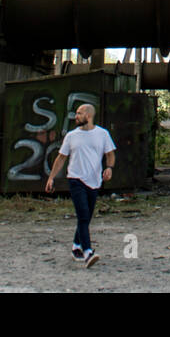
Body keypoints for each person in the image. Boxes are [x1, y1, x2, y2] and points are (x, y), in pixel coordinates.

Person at [45, 103, 116, 267]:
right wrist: (51, 178)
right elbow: (61, 158)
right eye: (76, 113)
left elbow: (110, 154)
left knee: (87, 216)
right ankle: (87, 252)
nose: (75, 116)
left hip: (94, 181)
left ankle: (76, 246)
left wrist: (109, 168)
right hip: (76, 179)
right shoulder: (71, 136)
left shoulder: (102, 134)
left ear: (89, 116)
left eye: (79, 113)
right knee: (83, 215)